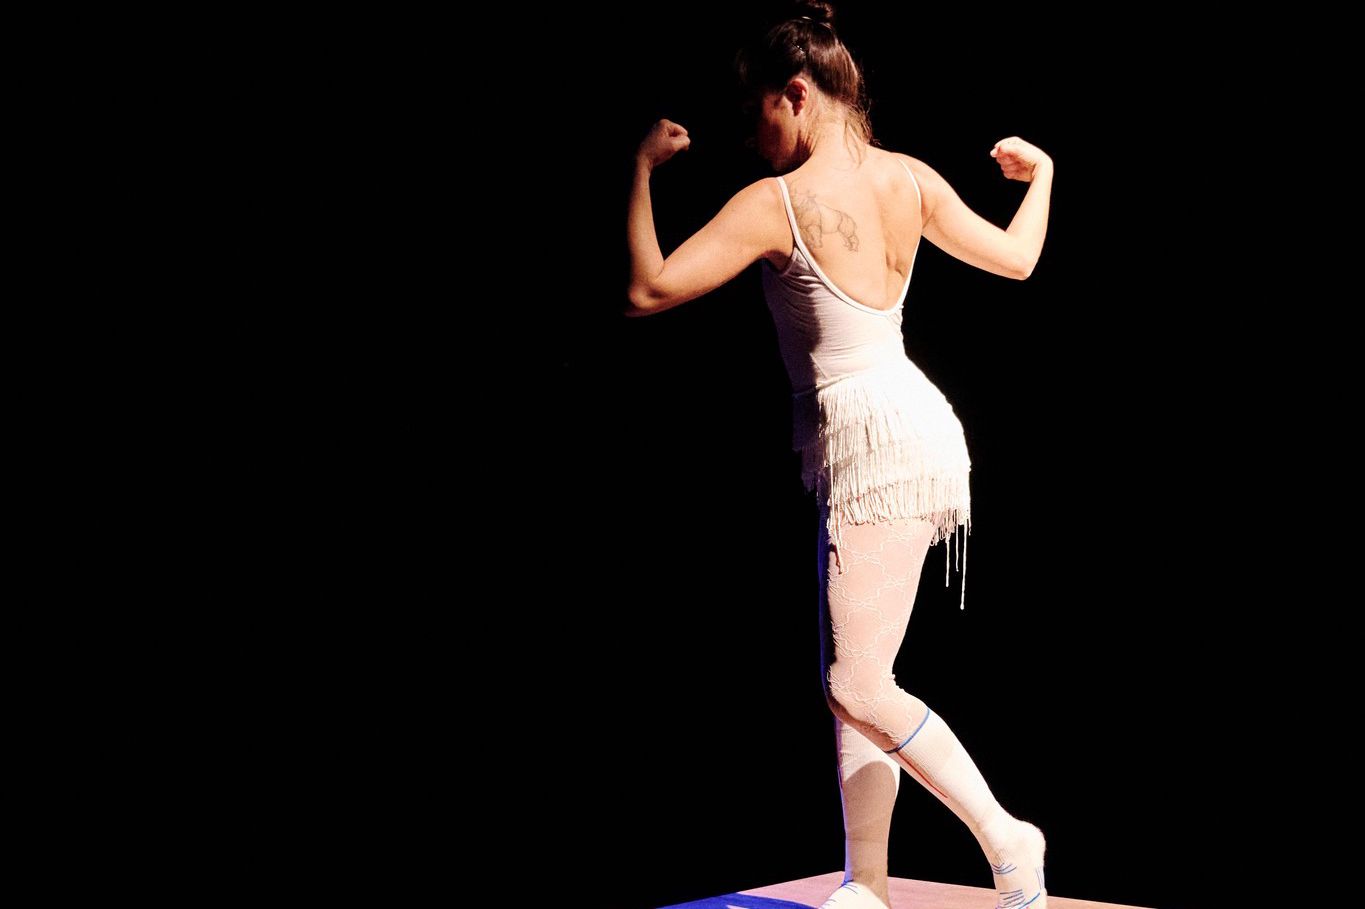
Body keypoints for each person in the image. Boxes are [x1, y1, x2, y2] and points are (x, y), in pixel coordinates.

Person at [624, 3, 1054, 908]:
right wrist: (1043, 174)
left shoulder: (774, 201)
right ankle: (867, 880)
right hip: (899, 429)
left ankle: (1005, 835)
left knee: (854, 679)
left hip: (877, 442)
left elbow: (647, 288)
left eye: (757, 114)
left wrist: (639, 168)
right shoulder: (909, 177)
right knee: (855, 678)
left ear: (795, 93)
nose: (753, 137)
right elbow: (1017, 258)